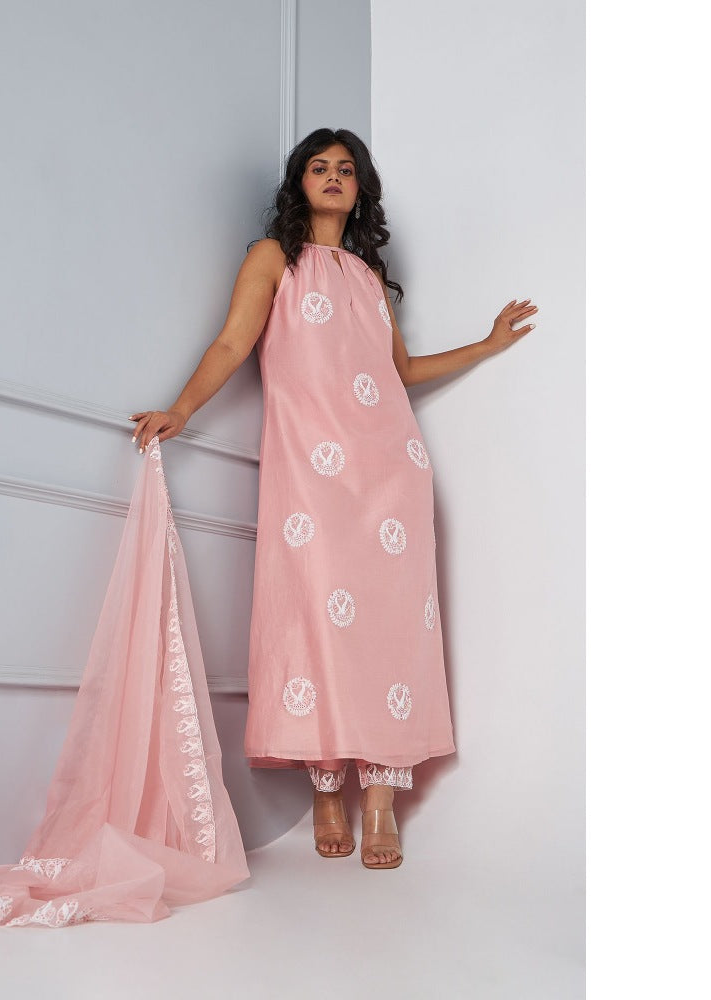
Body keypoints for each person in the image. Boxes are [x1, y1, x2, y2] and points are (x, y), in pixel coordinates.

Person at [130, 127, 537, 869]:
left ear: (359, 189)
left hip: (391, 470)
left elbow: (398, 371)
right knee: (313, 618)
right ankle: (325, 787)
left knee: (390, 628)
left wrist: (485, 344)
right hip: (310, 474)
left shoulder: (369, 277)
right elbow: (233, 343)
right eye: (319, 167)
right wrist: (181, 410)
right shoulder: (273, 258)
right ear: (299, 182)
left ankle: (380, 799)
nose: (333, 177)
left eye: (346, 169)